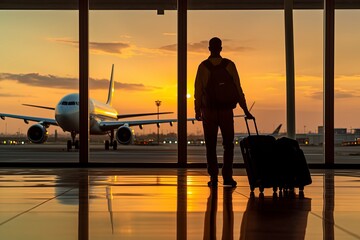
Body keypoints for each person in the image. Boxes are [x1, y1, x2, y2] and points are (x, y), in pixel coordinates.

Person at [194, 37, 254, 187]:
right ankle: (227, 177)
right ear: (221, 49)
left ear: (209, 49)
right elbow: (238, 89)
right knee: (228, 144)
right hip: (227, 111)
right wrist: (245, 109)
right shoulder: (229, 65)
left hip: (209, 111)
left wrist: (197, 110)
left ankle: (213, 177)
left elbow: (198, 91)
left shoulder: (203, 66)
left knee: (211, 145)